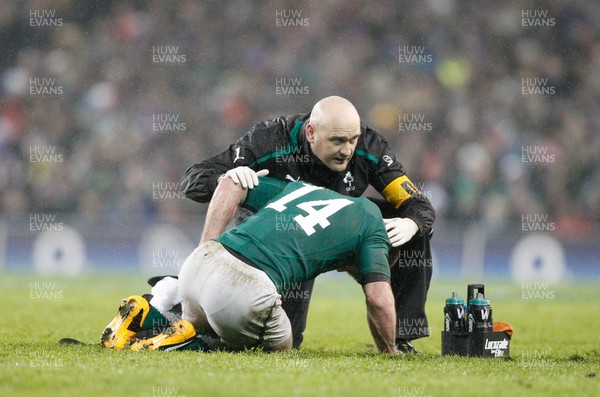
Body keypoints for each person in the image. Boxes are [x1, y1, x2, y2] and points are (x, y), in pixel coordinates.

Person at [180, 96, 435, 353]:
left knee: (414, 226)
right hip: (278, 245)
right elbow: (192, 181)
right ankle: (191, 304)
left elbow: (418, 203)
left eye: (352, 140)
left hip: (340, 232)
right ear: (311, 133)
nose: (347, 150)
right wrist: (224, 177)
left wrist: (412, 223)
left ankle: (400, 337)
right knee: (281, 342)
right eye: (337, 141)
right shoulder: (268, 140)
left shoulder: (370, 147)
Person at [109, 175, 398, 353]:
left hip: (201, 261)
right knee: (284, 347)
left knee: (198, 325)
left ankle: (147, 314)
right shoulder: (372, 220)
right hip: (243, 287)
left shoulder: (303, 188)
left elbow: (231, 184)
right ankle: (174, 346)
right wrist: (390, 350)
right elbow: (378, 299)